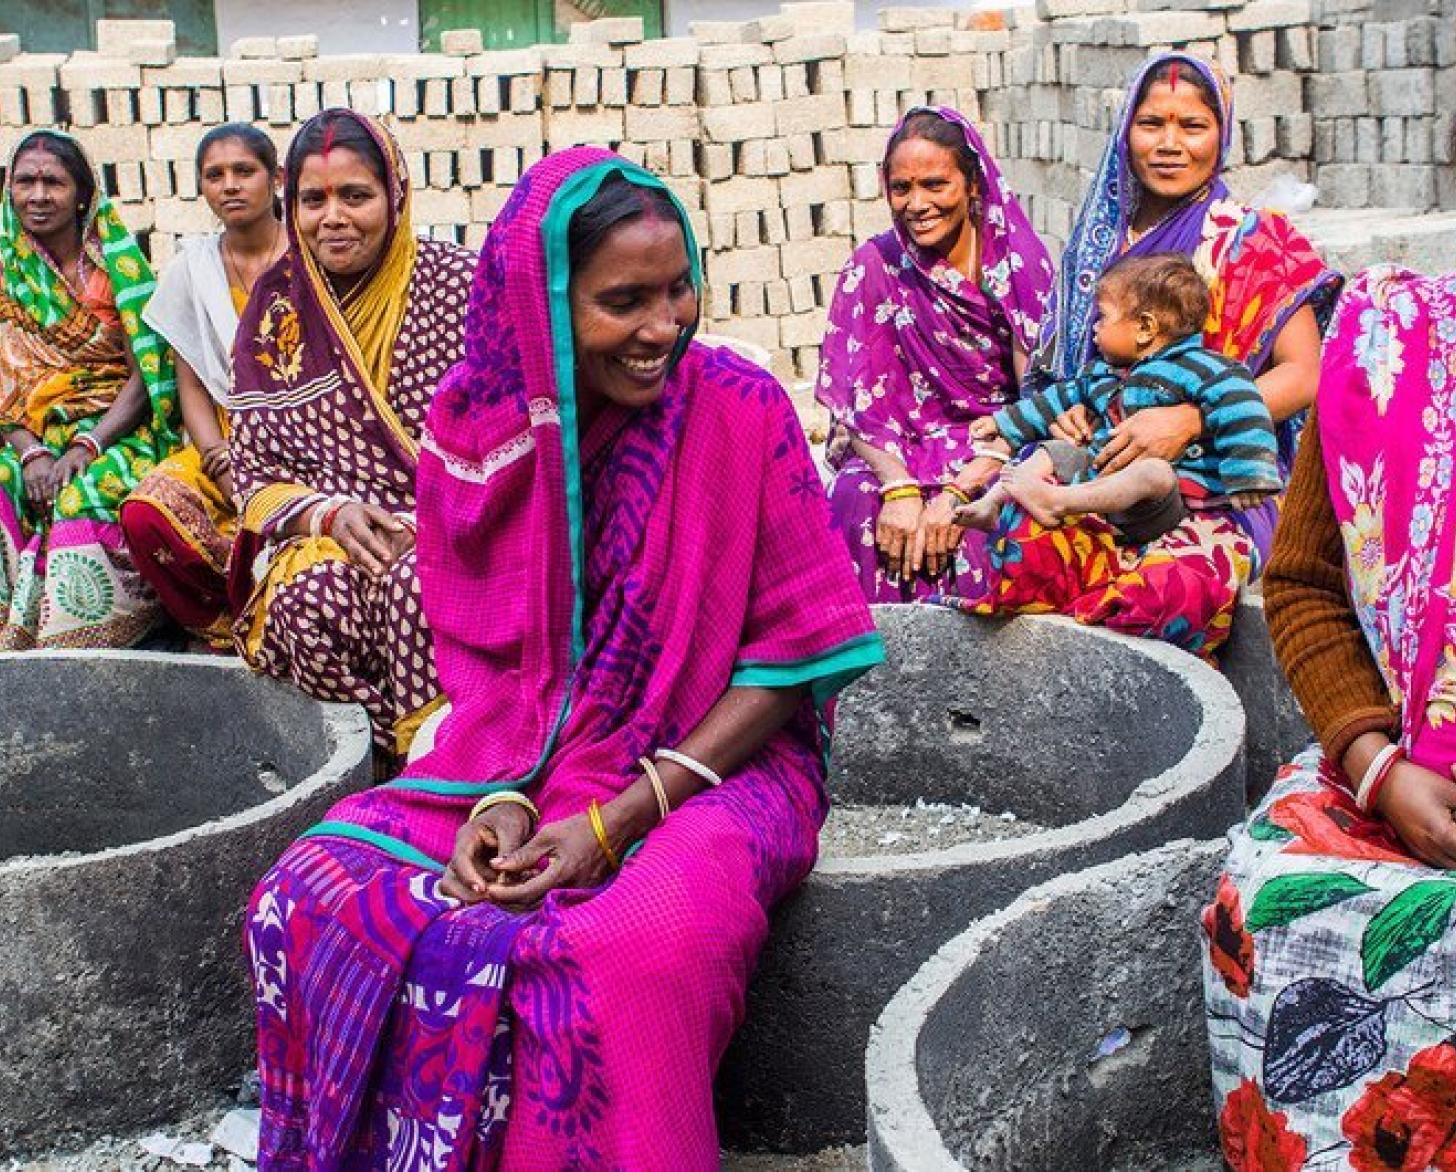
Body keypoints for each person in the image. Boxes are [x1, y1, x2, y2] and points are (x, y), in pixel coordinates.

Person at [244, 148, 883, 1169]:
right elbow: (487, 660)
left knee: (625, 946)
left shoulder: (737, 407)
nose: (663, 326)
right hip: (515, 751)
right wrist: (499, 798)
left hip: (725, 757)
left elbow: (798, 652)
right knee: (307, 890)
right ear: (539, 305)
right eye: (622, 300)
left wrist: (617, 814)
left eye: (677, 290)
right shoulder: (484, 431)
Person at [1201, 267, 1456, 1170]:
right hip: (1414, 767)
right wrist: (1377, 762)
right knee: (1263, 905)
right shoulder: (1394, 343)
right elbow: (1305, 583)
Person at [963, 53, 1340, 656]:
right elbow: (1065, 371)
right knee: (1022, 546)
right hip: (1099, 467)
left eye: (1192, 126)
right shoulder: (1096, 242)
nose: (1170, 144)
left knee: (1168, 590)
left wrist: (1186, 418)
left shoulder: (1253, 241)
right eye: (1150, 124)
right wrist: (1069, 414)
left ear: (1222, 135)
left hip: (1217, 479)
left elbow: (1304, 373)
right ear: (1125, 132)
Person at [226, 109, 476, 758]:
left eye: (355, 195)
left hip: (455, 523)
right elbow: (253, 472)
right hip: (330, 532)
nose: (332, 217)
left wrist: (427, 521)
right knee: (309, 605)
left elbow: (511, 435)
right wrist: (328, 516)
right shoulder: (275, 307)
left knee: (415, 585)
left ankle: (449, 766)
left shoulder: (458, 285)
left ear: (395, 196)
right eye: (313, 199)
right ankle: (370, 769)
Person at [816, 105, 1053, 603]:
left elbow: (1035, 406)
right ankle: (866, 674)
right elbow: (860, 407)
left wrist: (959, 491)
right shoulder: (875, 264)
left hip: (994, 446)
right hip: (895, 450)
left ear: (972, 183)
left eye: (934, 185)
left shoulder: (1017, 269)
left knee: (989, 520)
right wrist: (899, 488)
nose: (916, 204)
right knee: (856, 501)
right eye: (901, 189)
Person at [959, 254, 1279, 552]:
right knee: (1052, 452)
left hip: (1167, 502)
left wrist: (1250, 473)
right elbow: (1053, 401)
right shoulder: (1102, 373)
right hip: (1103, 490)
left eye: (1103, 317)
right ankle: (993, 503)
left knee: (1153, 471)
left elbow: (1243, 408)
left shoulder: (1201, 368)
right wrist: (1002, 423)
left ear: (1144, 328)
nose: (1094, 327)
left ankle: (1059, 500)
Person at [0, 130, 179, 649]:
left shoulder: (115, 268)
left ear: (82, 193)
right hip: (24, 431)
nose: (38, 196)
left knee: (83, 492)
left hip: (116, 429)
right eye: (25, 182)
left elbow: (147, 373)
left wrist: (88, 444)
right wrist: (31, 450)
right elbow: (6, 376)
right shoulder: (9, 270)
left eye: (53, 182)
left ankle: (84, 640)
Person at [119, 123, 286, 647]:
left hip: (305, 440)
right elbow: (189, 379)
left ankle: (277, 627)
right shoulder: (193, 269)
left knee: (276, 529)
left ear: (276, 178)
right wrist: (217, 454)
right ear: (201, 188)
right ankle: (220, 626)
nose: (229, 185)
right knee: (146, 513)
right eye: (215, 175)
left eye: (244, 171)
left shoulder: (311, 259)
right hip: (223, 440)